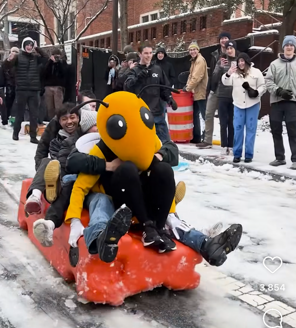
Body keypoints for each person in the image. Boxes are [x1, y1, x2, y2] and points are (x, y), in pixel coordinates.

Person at [124, 44, 177, 143]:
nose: (148, 56)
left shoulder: (157, 69)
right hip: (141, 115)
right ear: (140, 54)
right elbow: (127, 86)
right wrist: (138, 78)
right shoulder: (135, 71)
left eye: (150, 53)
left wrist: (169, 98)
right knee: (144, 144)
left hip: (157, 114)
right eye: (146, 53)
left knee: (166, 144)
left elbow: (164, 87)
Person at [222, 53, 266, 163]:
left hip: (253, 104)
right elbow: (225, 82)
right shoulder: (234, 74)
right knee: (238, 129)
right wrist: (228, 73)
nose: (241, 63)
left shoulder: (256, 72)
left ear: (247, 62)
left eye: (243, 61)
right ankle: (237, 153)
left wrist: (257, 92)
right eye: (239, 61)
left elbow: (263, 86)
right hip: (238, 104)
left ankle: (248, 154)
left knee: (251, 129)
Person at [6, 37, 48, 143]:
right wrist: (8, 59)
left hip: (34, 90)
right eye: (27, 45)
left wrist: (38, 49)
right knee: (19, 113)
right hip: (21, 90)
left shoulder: (35, 57)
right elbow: (7, 67)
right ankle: (15, 133)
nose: (29, 47)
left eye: (31, 45)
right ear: (24, 46)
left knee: (34, 114)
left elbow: (46, 57)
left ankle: (33, 136)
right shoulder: (18, 57)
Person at [265, 35, 296, 169]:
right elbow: (268, 81)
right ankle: (279, 157)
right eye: (287, 45)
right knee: (276, 129)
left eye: (291, 45)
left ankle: (295, 159)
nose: (289, 47)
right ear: (283, 47)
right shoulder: (274, 64)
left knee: (293, 130)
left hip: (293, 102)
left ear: (294, 47)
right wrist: (279, 91)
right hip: (277, 101)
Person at [197, 32, 231, 149]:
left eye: (225, 38)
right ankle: (207, 140)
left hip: (228, 90)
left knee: (226, 117)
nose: (223, 40)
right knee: (208, 113)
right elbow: (212, 73)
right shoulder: (215, 54)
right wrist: (210, 87)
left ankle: (228, 142)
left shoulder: (233, 53)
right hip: (215, 88)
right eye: (221, 38)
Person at [212, 40, 238, 155]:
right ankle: (223, 145)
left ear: (235, 49)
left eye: (231, 48)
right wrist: (220, 67)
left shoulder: (239, 61)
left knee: (232, 122)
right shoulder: (221, 61)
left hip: (235, 96)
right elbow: (214, 78)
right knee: (223, 121)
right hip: (222, 95)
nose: (229, 50)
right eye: (227, 48)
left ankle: (231, 145)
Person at [183, 41, 208, 144]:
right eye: (190, 50)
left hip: (200, 92)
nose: (192, 51)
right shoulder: (194, 61)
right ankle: (196, 137)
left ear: (198, 50)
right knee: (195, 115)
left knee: (204, 115)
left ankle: (207, 137)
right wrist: (187, 86)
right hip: (195, 92)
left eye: (194, 49)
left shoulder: (200, 61)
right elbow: (191, 76)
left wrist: (188, 88)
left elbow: (196, 77)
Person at [43, 48, 69, 120]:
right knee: (49, 107)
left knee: (58, 107)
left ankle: (59, 120)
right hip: (48, 86)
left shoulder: (62, 63)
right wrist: (50, 62)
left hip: (58, 87)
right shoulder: (48, 63)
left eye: (57, 56)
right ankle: (52, 121)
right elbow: (45, 73)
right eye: (54, 56)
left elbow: (64, 73)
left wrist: (58, 62)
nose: (56, 58)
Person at [1, 47, 19, 126]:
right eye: (13, 51)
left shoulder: (19, 61)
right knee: (8, 103)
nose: (14, 53)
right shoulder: (6, 63)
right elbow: (3, 70)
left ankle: (14, 118)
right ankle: (7, 118)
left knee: (16, 104)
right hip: (9, 86)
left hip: (18, 86)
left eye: (16, 52)